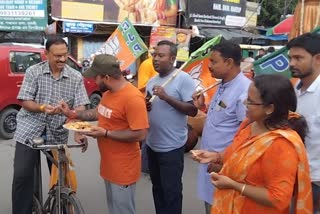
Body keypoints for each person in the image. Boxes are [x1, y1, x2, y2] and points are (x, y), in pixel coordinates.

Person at [192, 74, 313, 214]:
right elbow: (238, 151)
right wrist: (216, 156)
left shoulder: (281, 145)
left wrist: (234, 185)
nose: (245, 104)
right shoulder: (251, 124)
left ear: (269, 108)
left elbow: (278, 198)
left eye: (250, 101)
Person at [60, 54, 149, 214]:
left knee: (123, 211)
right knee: (114, 209)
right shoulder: (108, 93)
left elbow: (140, 134)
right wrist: (74, 114)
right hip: (109, 165)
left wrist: (106, 133)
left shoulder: (133, 98)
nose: (94, 81)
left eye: (96, 77)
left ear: (106, 77)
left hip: (124, 169)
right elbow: (98, 112)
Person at [12, 35, 90, 214]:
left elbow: (80, 106)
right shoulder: (34, 71)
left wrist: (78, 130)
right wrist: (41, 107)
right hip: (29, 129)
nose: (62, 59)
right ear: (46, 54)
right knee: (22, 176)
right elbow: (25, 101)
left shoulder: (75, 77)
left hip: (57, 131)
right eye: (57, 56)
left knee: (61, 178)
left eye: (64, 55)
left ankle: (61, 204)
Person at [192, 41, 251, 214]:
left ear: (229, 62)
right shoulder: (222, 84)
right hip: (210, 165)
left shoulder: (244, 91)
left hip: (224, 169)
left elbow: (246, 135)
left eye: (214, 61)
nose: (209, 66)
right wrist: (202, 107)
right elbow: (221, 120)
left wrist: (223, 161)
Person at [145, 40, 198, 214]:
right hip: (152, 144)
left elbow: (192, 110)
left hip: (172, 147)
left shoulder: (183, 79)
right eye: (155, 55)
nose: (156, 59)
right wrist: (145, 105)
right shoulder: (151, 82)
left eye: (161, 55)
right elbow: (147, 105)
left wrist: (167, 97)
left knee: (172, 192)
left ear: (173, 58)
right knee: (157, 189)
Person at [287, 32, 320, 213]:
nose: (292, 63)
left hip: (316, 181)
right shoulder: (295, 90)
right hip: (295, 176)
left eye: (298, 58)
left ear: (317, 59)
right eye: (291, 58)